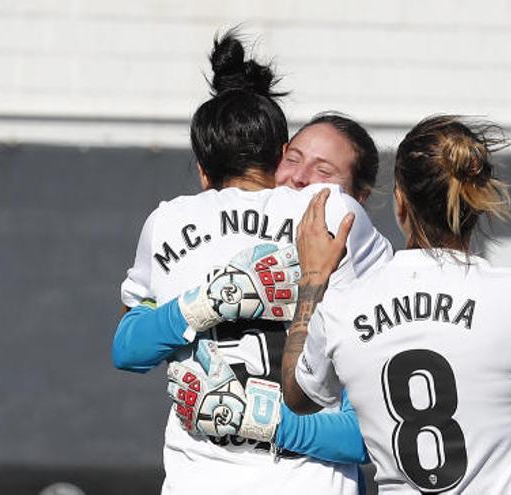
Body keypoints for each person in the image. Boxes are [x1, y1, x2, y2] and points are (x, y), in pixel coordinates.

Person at [281, 115, 511, 493]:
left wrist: (312, 279)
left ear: (400, 201)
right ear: (479, 203)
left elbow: (298, 395)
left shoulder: (343, 307)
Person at [114, 31, 393, 494]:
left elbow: (128, 349)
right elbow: (374, 430)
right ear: (280, 154)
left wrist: (201, 304)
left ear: (203, 168)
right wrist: (219, 300)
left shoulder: (168, 221)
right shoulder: (334, 213)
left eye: (322, 172)